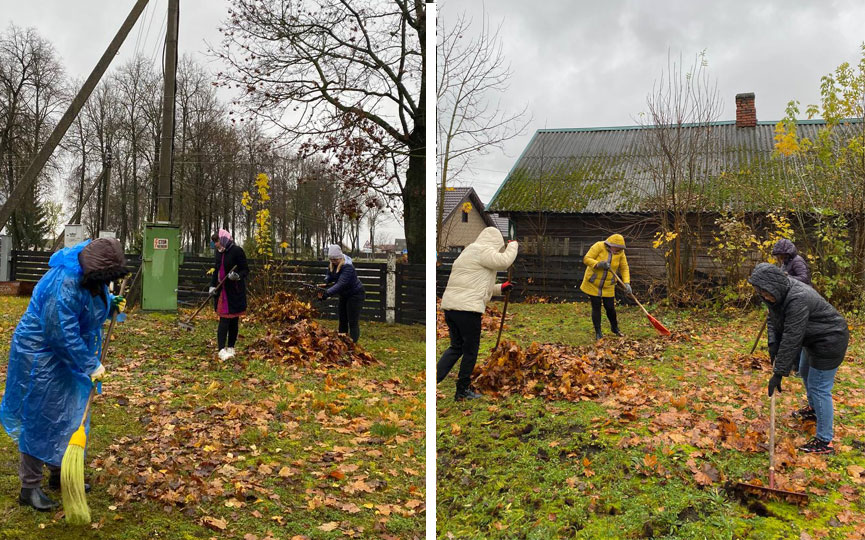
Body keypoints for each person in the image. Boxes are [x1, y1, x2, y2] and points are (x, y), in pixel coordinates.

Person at [1, 238, 127, 511]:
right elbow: (61, 332)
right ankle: (29, 486)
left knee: (70, 409)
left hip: (69, 353)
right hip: (40, 354)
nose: (104, 286)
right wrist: (90, 364)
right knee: (40, 415)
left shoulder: (92, 278)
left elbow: (87, 306)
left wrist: (109, 305)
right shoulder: (66, 282)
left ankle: (62, 472)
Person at [748, 263, 848, 454]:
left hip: (830, 340)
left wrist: (779, 373)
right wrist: (772, 345)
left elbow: (792, 336)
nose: (764, 297)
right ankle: (813, 409)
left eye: (766, 293)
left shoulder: (797, 298)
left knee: (820, 387)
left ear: (773, 286)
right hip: (813, 339)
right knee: (804, 371)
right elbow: (773, 319)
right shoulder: (779, 294)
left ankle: (825, 441)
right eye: (761, 293)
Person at [437, 227, 518, 400]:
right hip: (468, 310)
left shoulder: (468, 252)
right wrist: (513, 245)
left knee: (456, 347)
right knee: (470, 351)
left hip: (452, 308)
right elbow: (504, 261)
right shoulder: (483, 251)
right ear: (496, 242)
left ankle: (432, 381)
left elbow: (479, 287)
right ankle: (462, 391)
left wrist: (500, 288)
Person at [771, 238, 814, 420]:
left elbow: (805, 279)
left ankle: (795, 364)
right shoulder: (785, 263)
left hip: (802, 300)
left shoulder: (797, 262)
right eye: (778, 255)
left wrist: (787, 278)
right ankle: (795, 364)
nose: (780, 258)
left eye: (781, 254)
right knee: (788, 334)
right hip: (786, 301)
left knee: (795, 334)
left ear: (787, 252)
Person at [580, 234, 631, 340]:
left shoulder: (621, 253)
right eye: (616, 247)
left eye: (620, 248)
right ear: (610, 244)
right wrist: (598, 264)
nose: (617, 250)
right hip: (593, 283)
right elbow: (586, 259)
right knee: (596, 306)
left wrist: (627, 283)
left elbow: (624, 268)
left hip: (608, 285)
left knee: (610, 307)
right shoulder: (599, 246)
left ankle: (615, 328)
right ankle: (598, 332)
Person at [210, 230, 249, 360]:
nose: (216, 244)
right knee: (224, 319)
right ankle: (221, 349)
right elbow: (216, 270)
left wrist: (237, 276)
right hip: (222, 291)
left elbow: (245, 269)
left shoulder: (237, 251)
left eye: (217, 241)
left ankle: (231, 347)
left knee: (234, 319)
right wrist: (212, 286)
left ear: (224, 240)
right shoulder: (218, 252)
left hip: (235, 291)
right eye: (215, 242)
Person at [321, 244, 365, 342]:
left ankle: (353, 346)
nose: (334, 262)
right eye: (332, 260)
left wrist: (327, 293)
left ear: (340, 257)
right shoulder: (332, 265)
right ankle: (342, 343)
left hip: (355, 295)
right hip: (344, 295)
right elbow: (329, 276)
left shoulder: (348, 267)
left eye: (336, 259)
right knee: (342, 319)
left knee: (352, 321)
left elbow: (341, 284)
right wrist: (326, 281)